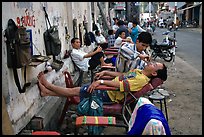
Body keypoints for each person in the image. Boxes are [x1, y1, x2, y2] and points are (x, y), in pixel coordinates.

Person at [37, 61, 167, 104]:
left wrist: (101, 81)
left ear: (154, 73)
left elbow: (121, 86)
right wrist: (106, 73)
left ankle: (47, 85)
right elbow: (122, 76)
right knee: (76, 91)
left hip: (108, 94)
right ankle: (46, 92)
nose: (151, 62)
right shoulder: (139, 72)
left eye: (154, 64)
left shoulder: (141, 80)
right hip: (107, 88)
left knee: (74, 91)